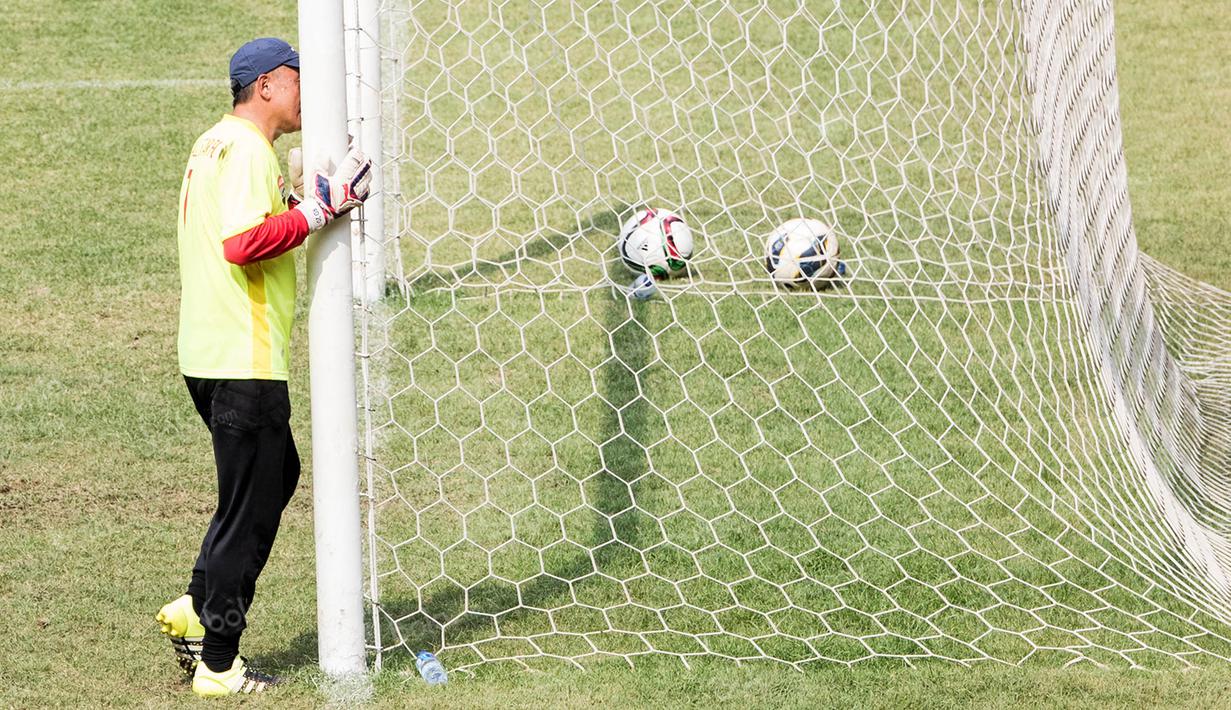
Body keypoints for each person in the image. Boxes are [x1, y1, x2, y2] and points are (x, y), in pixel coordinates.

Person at [154, 37, 371, 697]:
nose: (311, 96)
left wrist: (298, 200)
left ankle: (197, 603)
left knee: (273, 481)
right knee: (247, 508)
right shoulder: (248, 149)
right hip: (242, 357)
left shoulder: (214, 141)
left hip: (208, 351)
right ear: (271, 84)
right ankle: (218, 660)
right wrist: (317, 211)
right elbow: (242, 244)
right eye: (303, 81)